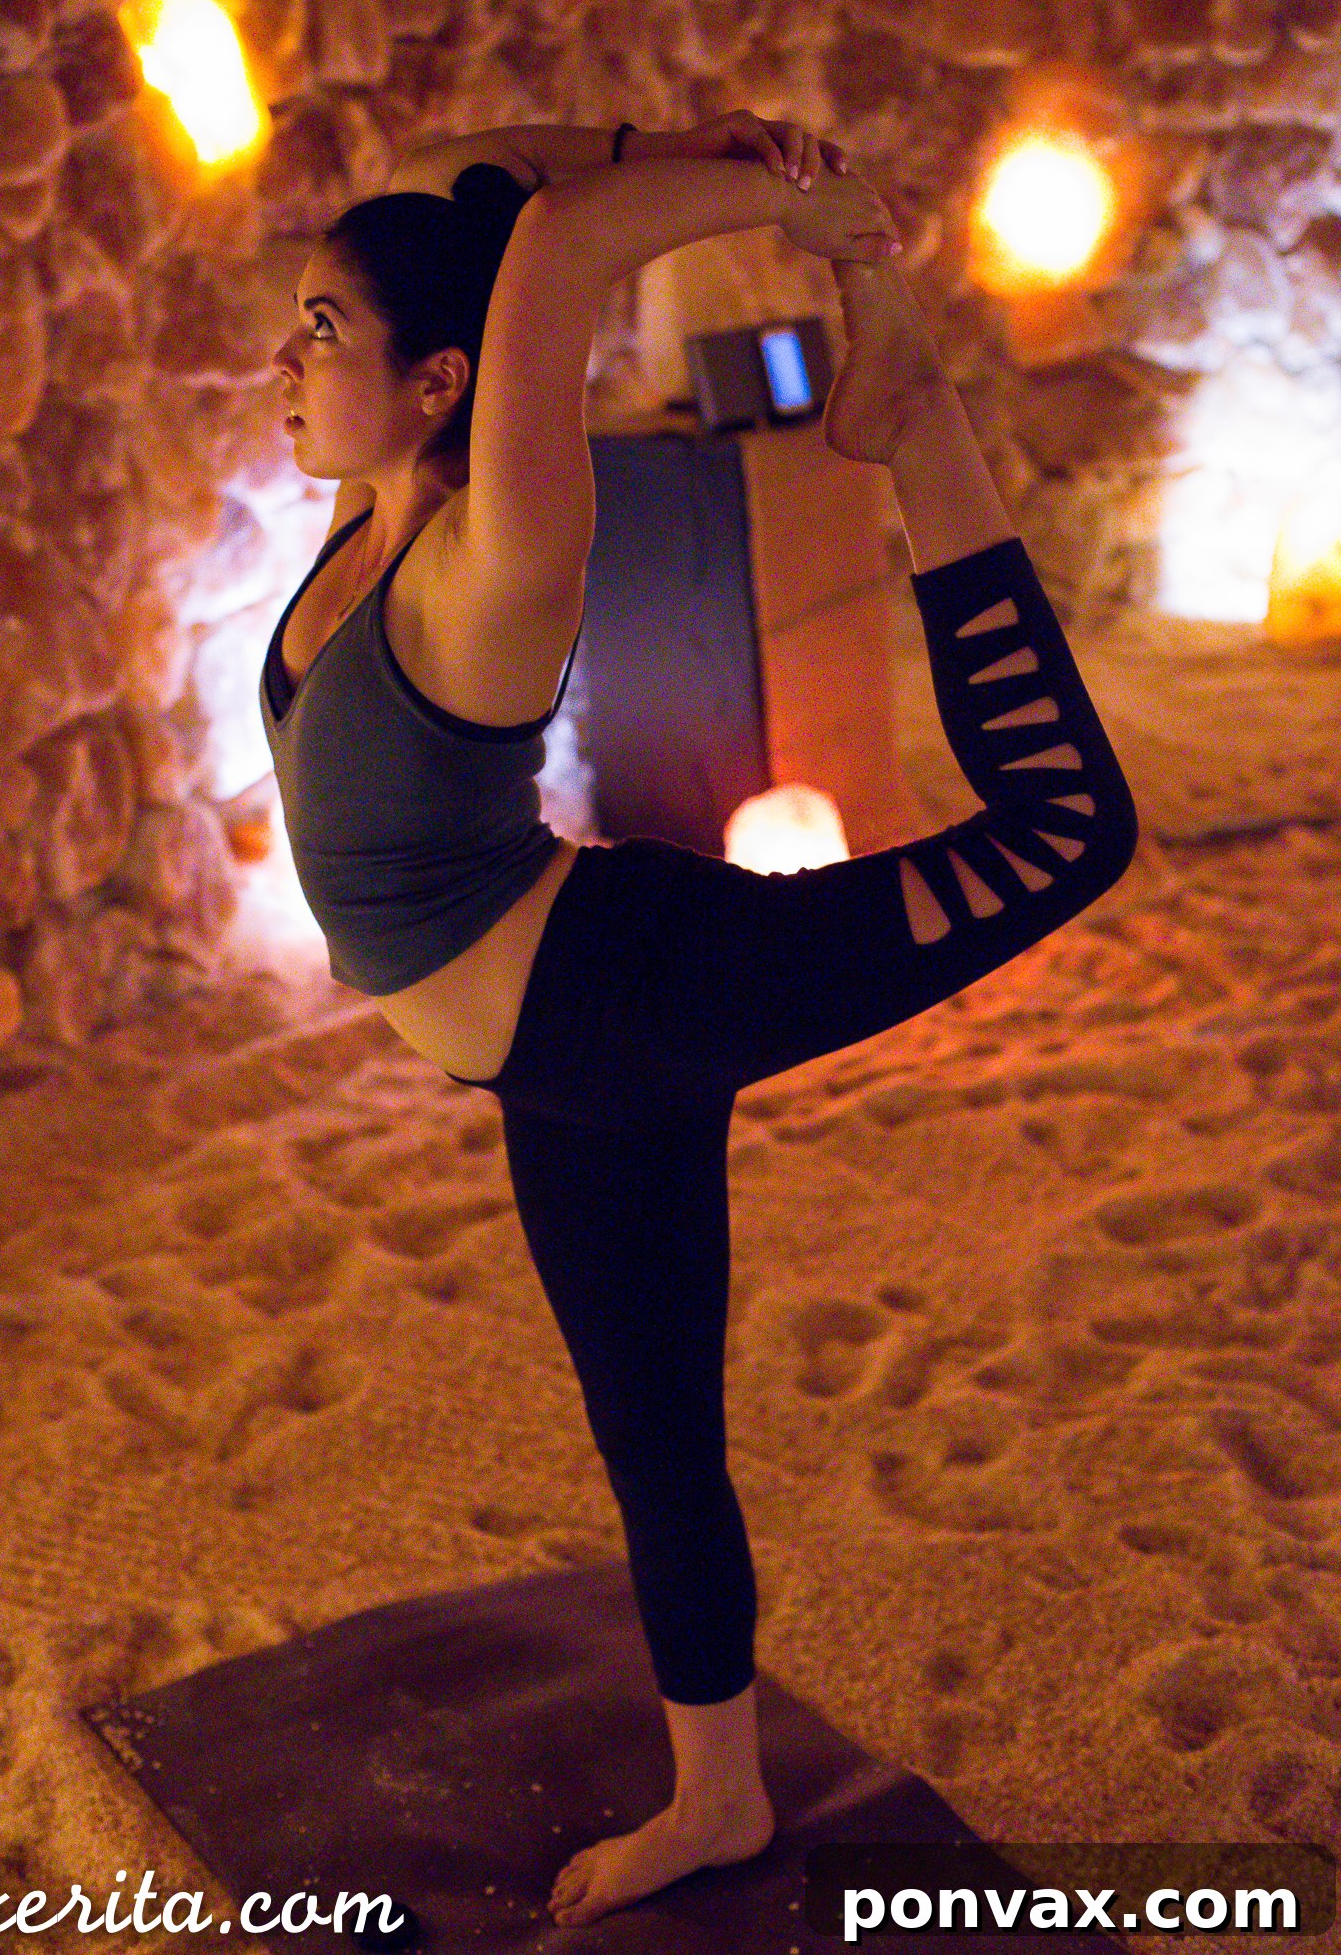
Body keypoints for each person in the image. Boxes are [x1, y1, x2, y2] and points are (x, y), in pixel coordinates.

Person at [260, 116, 1140, 1930]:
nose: (287, 363)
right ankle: (719, 1798)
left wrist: (801, 205)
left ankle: (926, 430)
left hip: (633, 999)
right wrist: (694, 151)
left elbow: (563, 246)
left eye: (324, 332)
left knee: (1067, 827)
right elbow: (497, 182)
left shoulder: (492, 563)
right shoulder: (367, 519)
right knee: (651, 1426)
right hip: (566, 1055)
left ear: (442, 382)